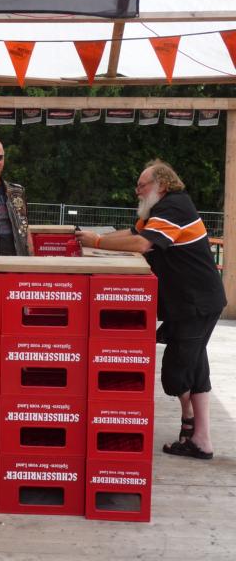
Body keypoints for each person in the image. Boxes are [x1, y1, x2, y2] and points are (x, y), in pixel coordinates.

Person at [76, 159, 226, 460]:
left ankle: (195, 431)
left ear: (162, 185)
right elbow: (132, 232)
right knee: (194, 366)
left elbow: (142, 244)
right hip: (192, 302)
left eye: (141, 185)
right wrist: (95, 240)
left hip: (195, 303)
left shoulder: (174, 207)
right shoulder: (162, 209)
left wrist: (98, 240)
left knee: (176, 371)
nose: (137, 191)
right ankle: (198, 436)